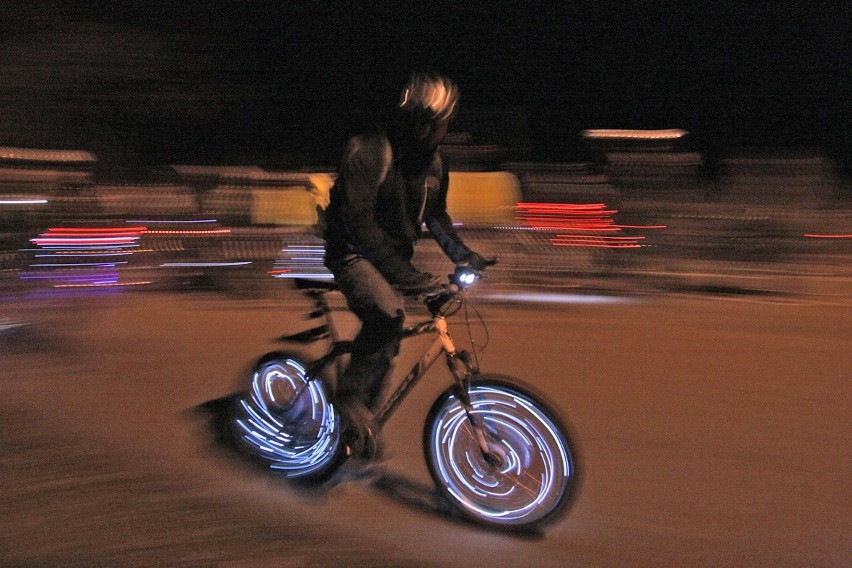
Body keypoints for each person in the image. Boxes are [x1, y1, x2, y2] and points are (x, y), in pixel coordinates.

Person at [323, 72, 493, 457]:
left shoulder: (435, 165)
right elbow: (359, 224)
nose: (432, 131)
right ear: (409, 118)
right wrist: (410, 278)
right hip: (352, 253)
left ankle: (361, 420)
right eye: (425, 122)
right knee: (387, 313)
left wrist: (463, 255)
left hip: (393, 258)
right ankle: (349, 401)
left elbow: (436, 216)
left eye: (438, 123)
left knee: (388, 344)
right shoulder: (369, 151)